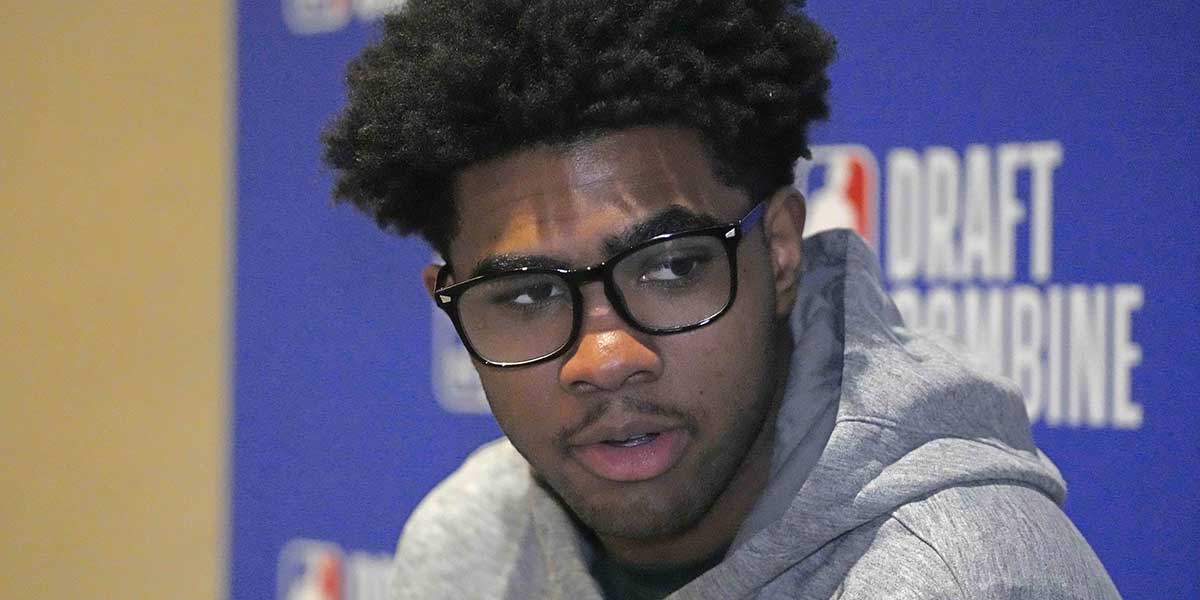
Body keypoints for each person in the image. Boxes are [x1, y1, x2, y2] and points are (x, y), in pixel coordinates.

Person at [322, 1, 1120, 598]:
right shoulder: (463, 552)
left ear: (778, 252)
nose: (604, 360)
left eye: (669, 269)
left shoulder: (961, 577)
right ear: (450, 306)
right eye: (526, 295)